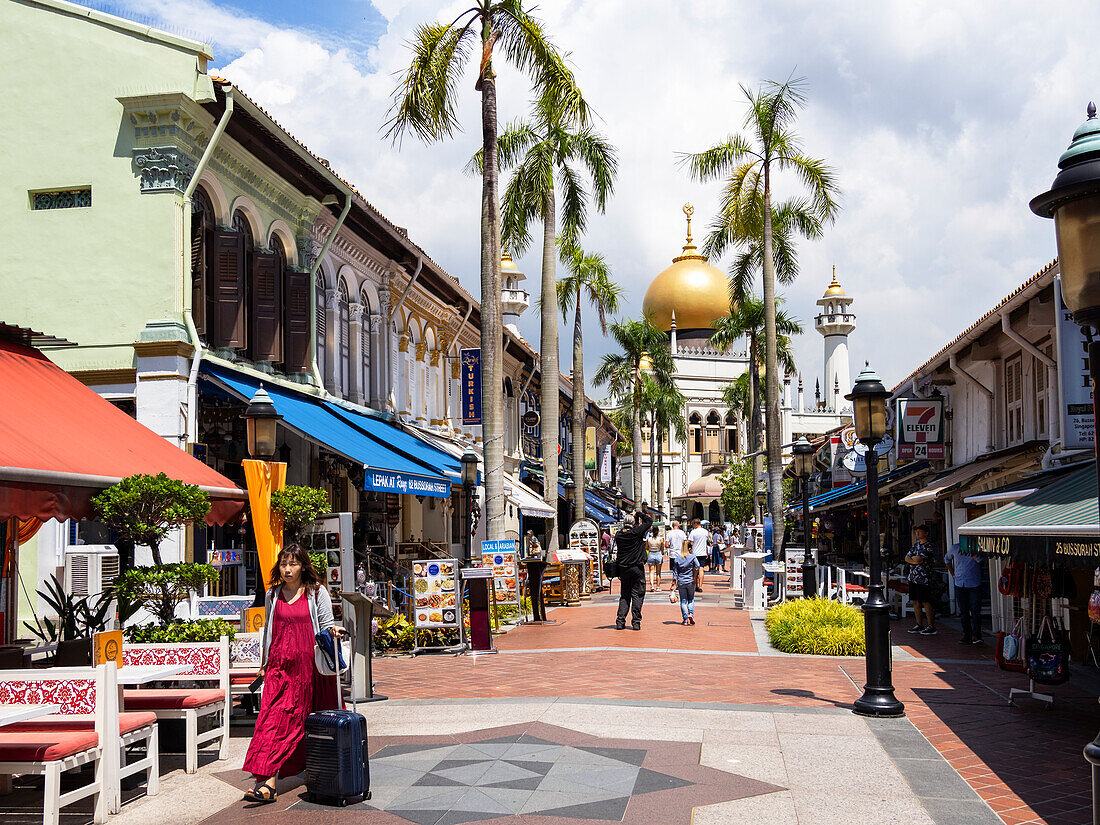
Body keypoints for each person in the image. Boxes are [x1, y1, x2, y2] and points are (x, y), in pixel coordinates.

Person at [242, 544, 344, 803]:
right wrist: (264, 662)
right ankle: (266, 781)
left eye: (293, 564)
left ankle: (278, 778)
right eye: (284, 564)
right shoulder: (273, 594)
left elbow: (326, 625)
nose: (287, 570)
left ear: (303, 566)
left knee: (298, 721)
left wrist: (334, 633)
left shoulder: (316, 592)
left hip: (307, 669)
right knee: (271, 719)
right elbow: (268, 629)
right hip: (278, 667)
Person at [614, 509, 653, 630]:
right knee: (638, 594)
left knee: (625, 595)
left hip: (623, 569)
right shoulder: (636, 533)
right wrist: (638, 514)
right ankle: (636, 622)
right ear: (633, 523)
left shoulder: (619, 535)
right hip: (636, 567)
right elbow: (649, 521)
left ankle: (620, 621)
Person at [944, 541, 983, 645]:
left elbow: (980, 560)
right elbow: (947, 559)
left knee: (975, 611)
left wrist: (974, 554)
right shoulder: (955, 547)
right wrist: (953, 574)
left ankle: (977, 635)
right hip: (960, 582)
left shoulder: (976, 547)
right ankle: (967, 635)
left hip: (974, 583)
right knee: (963, 611)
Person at [905, 525, 938, 636]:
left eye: (920, 532)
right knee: (915, 601)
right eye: (916, 532)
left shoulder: (928, 546)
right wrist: (914, 561)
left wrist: (914, 560)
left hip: (924, 578)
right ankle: (919, 624)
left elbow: (919, 558)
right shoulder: (916, 545)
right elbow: (907, 557)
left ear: (926, 533)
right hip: (913, 577)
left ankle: (931, 625)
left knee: (925, 601)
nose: (917, 534)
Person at [668, 539, 702, 625]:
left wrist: (673, 583)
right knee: (691, 599)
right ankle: (690, 613)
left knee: (683, 600)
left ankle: (685, 618)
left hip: (681, 581)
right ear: (689, 548)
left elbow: (675, 573)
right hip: (691, 581)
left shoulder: (677, 559)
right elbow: (698, 566)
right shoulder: (692, 557)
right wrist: (695, 576)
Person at [688, 519, 710, 592]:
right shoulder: (705, 532)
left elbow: (691, 543)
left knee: (695, 570)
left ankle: (696, 585)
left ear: (695, 524)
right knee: (701, 569)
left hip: (695, 553)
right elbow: (708, 542)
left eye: (693, 524)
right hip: (703, 553)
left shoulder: (693, 532)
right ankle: (700, 586)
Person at [645, 526, 664, 591]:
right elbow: (662, 548)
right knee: (658, 572)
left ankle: (652, 586)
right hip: (658, 554)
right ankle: (658, 586)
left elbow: (646, 547)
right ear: (658, 531)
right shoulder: (660, 539)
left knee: (651, 571)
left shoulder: (649, 539)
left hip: (651, 554)